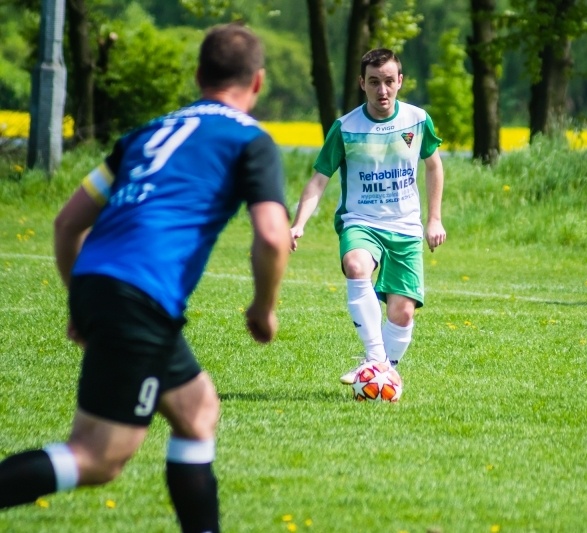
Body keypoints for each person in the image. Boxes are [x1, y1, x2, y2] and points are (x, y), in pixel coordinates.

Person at [0, 23, 290, 533]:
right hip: (141, 294)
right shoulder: (250, 139)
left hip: (99, 280)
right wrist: (263, 308)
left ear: (199, 75)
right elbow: (271, 234)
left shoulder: (144, 134)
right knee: (97, 457)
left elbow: (67, 222)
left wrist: (83, 302)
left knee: (197, 410)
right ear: (259, 82)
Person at [290, 48, 445, 384]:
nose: (383, 90)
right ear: (362, 83)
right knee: (357, 266)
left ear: (400, 81)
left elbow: (434, 166)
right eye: (374, 82)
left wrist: (434, 219)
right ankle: (376, 360)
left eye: (389, 81)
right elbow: (319, 180)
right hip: (361, 221)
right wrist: (299, 223)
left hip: (405, 227)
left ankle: (379, 371)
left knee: (402, 313)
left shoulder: (417, 121)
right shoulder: (345, 128)